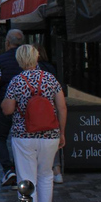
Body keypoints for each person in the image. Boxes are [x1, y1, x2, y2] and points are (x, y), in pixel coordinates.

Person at [1, 45, 67, 202]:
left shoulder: (16, 81)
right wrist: (61, 132)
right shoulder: (50, 78)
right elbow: (62, 107)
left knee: (26, 176)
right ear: (37, 58)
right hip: (50, 134)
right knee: (46, 173)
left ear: (19, 60)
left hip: (24, 136)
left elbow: (8, 110)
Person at [0, 28, 25, 187]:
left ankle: (8, 169)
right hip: (25, 105)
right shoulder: (27, 60)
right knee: (22, 137)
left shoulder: (1, 60)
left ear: (7, 43)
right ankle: (22, 169)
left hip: (5, 103)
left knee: (0, 137)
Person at [34, 43, 63, 184]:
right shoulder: (51, 68)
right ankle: (56, 170)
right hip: (51, 109)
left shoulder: (32, 72)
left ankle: (44, 171)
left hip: (37, 111)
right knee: (51, 141)